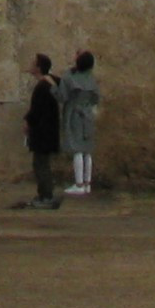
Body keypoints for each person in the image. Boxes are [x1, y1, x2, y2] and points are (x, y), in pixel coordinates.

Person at [56, 50, 100, 195]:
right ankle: (87, 184)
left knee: (76, 149)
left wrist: (52, 88)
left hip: (74, 114)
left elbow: (62, 96)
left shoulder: (70, 77)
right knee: (87, 149)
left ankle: (79, 184)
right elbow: (96, 98)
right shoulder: (91, 78)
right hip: (88, 113)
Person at [24, 54, 61, 209]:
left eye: (33, 63)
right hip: (49, 131)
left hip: (42, 133)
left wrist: (27, 122)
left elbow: (36, 111)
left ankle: (46, 196)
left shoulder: (42, 87)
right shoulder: (51, 83)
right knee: (42, 164)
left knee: (40, 165)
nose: (30, 65)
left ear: (38, 67)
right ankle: (45, 195)